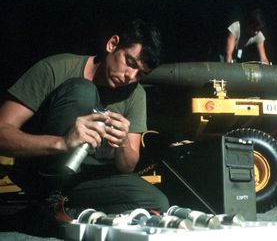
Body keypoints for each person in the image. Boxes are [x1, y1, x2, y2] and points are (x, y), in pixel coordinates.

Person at [0, 19, 169, 235]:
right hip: (42, 171)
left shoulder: (135, 94)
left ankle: (58, 215)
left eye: (140, 74)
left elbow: (127, 165)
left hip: (82, 180)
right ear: (112, 44)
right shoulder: (55, 69)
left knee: (155, 202)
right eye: (130, 62)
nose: (131, 76)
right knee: (82, 90)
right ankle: (48, 205)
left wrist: (123, 141)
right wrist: (62, 142)